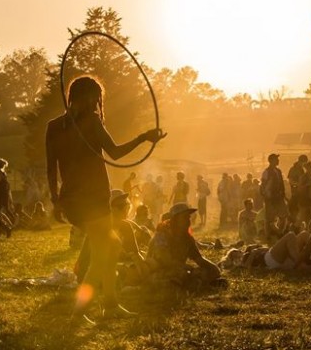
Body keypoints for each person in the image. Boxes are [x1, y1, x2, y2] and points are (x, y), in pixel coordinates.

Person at [46, 75, 166, 318]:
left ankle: (110, 305)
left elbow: (51, 166)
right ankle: (80, 310)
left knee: (110, 247)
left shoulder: (54, 125)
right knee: (104, 253)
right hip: (93, 197)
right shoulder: (90, 121)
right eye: (96, 97)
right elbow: (116, 152)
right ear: (89, 97)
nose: (97, 103)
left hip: (72, 199)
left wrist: (55, 199)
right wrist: (143, 137)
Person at [146, 202, 222, 289]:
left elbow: (199, 259)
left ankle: (196, 283)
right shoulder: (162, 235)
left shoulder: (187, 239)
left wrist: (213, 269)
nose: (188, 221)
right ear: (175, 220)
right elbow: (165, 260)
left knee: (206, 272)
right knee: (182, 275)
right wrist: (188, 268)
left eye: (188, 217)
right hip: (157, 271)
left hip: (178, 271)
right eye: (184, 218)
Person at [261, 153, 288, 242]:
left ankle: (279, 232)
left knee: (283, 216)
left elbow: (281, 184)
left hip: (279, 197)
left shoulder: (278, 171)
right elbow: (263, 186)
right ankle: (268, 235)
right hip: (270, 198)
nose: (278, 160)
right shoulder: (266, 172)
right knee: (269, 218)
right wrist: (266, 197)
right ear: (271, 160)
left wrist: (283, 194)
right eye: (276, 159)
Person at [287, 155, 308, 221]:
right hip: (295, 193)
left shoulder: (302, 169)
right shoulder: (293, 169)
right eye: (304, 162)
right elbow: (290, 181)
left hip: (301, 193)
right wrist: (298, 185)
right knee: (294, 210)